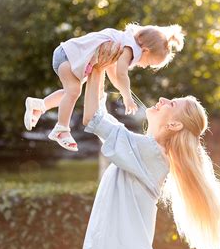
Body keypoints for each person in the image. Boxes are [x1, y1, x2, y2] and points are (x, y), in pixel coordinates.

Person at [79, 42, 220, 249]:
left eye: (170, 104)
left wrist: (98, 64)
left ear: (174, 125)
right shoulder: (148, 152)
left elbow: (94, 118)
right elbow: (99, 117)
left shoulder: (151, 154)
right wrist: (99, 67)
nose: (162, 100)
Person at [23, 23, 184, 152]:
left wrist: (122, 90)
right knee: (73, 91)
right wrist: (127, 97)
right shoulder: (130, 49)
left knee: (70, 92)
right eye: (148, 63)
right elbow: (121, 74)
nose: (144, 66)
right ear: (145, 50)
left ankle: (39, 106)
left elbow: (113, 74)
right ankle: (61, 129)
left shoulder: (123, 44)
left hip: (66, 54)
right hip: (67, 55)